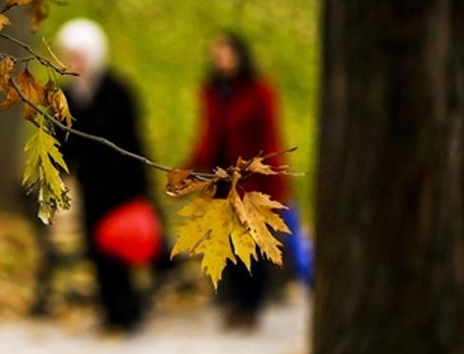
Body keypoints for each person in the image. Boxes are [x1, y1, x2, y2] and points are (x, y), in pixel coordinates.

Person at [185, 31, 309, 329]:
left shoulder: (258, 92)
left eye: (226, 53)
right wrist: (189, 171)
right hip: (220, 183)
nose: (221, 60)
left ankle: (251, 305)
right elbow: (207, 137)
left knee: (251, 245)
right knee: (224, 243)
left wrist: (275, 182)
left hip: (252, 183)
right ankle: (233, 302)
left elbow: (269, 137)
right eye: (217, 54)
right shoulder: (213, 93)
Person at [55, 18, 168, 333]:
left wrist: (141, 189)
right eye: (69, 56)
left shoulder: (118, 91)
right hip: (90, 186)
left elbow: (133, 141)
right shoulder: (65, 95)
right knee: (97, 249)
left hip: (121, 185)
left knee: (120, 247)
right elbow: (62, 145)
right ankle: (109, 309)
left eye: (79, 56)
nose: (74, 62)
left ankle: (127, 310)